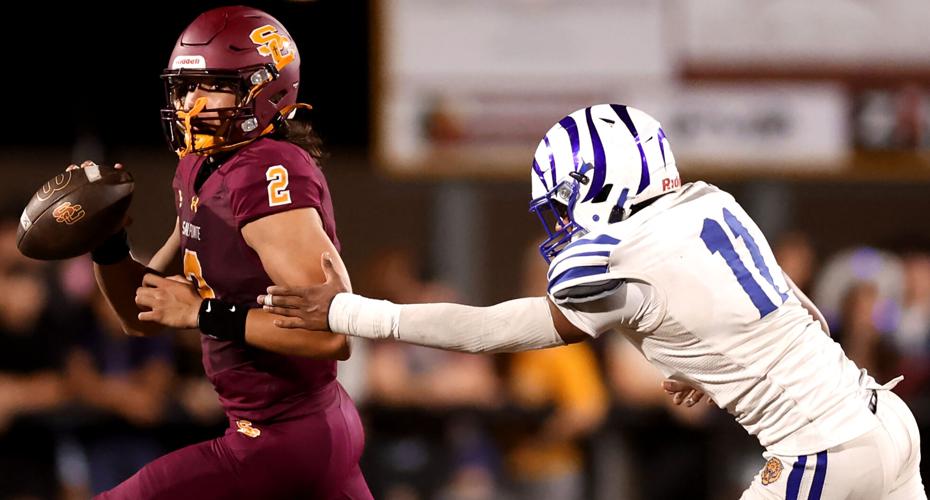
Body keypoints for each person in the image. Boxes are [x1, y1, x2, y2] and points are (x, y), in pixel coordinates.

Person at [258, 104, 925, 499]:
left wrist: (349, 311)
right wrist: (712, 358)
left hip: (824, 449)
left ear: (601, 183)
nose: (564, 222)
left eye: (565, 201)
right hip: (887, 420)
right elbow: (793, 307)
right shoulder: (711, 201)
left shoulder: (621, 255)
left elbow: (490, 329)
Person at [83, 6, 370, 499]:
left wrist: (202, 313)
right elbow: (141, 314)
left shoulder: (265, 172)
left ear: (265, 89)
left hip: (286, 437)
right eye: (186, 87)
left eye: (213, 85)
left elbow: (331, 336)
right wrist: (109, 246)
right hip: (291, 430)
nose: (192, 103)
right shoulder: (201, 167)